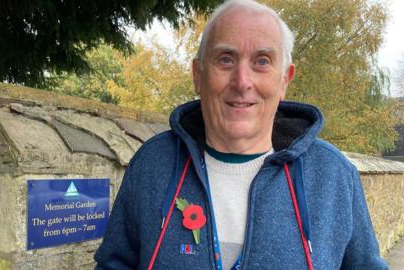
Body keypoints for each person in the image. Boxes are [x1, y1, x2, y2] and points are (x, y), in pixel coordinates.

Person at [94, 0, 389, 269]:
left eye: (262, 61)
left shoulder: (332, 176)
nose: (242, 81)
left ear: (285, 79)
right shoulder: (152, 165)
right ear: (198, 74)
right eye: (225, 59)